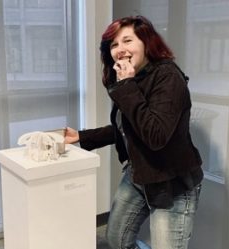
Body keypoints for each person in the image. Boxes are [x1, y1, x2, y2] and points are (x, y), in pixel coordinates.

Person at [65, 15, 203, 249]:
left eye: (127, 41)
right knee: (116, 240)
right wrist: (81, 136)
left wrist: (126, 85)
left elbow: (155, 135)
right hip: (139, 174)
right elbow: (128, 127)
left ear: (147, 42)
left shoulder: (167, 77)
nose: (120, 49)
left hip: (172, 183)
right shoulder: (133, 79)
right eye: (114, 44)